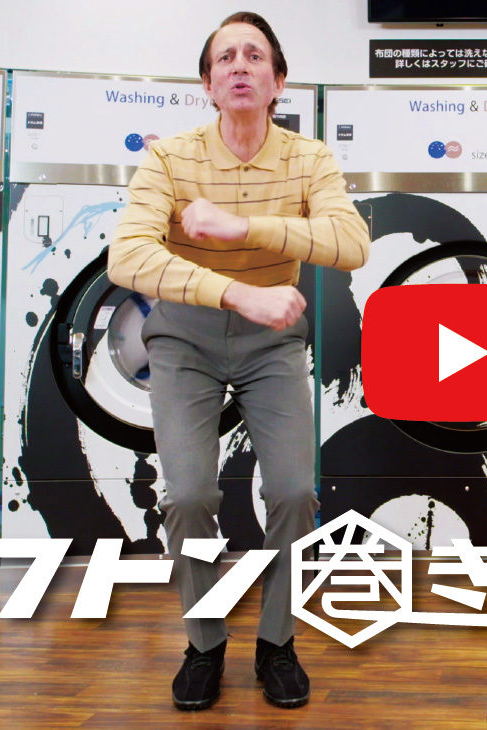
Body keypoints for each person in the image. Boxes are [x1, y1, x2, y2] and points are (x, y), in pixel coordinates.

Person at [109, 11, 370, 712]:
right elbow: (126, 257)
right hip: (183, 337)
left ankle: (277, 641)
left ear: (278, 81)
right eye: (225, 58)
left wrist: (244, 229)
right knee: (190, 496)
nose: (240, 66)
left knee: (293, 492)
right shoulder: (170, 159)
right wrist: (237, 292)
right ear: (208, 84)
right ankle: (204, 644)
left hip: (271, 342)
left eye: (255, 55)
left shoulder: (308, 158)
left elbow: (352, 243)